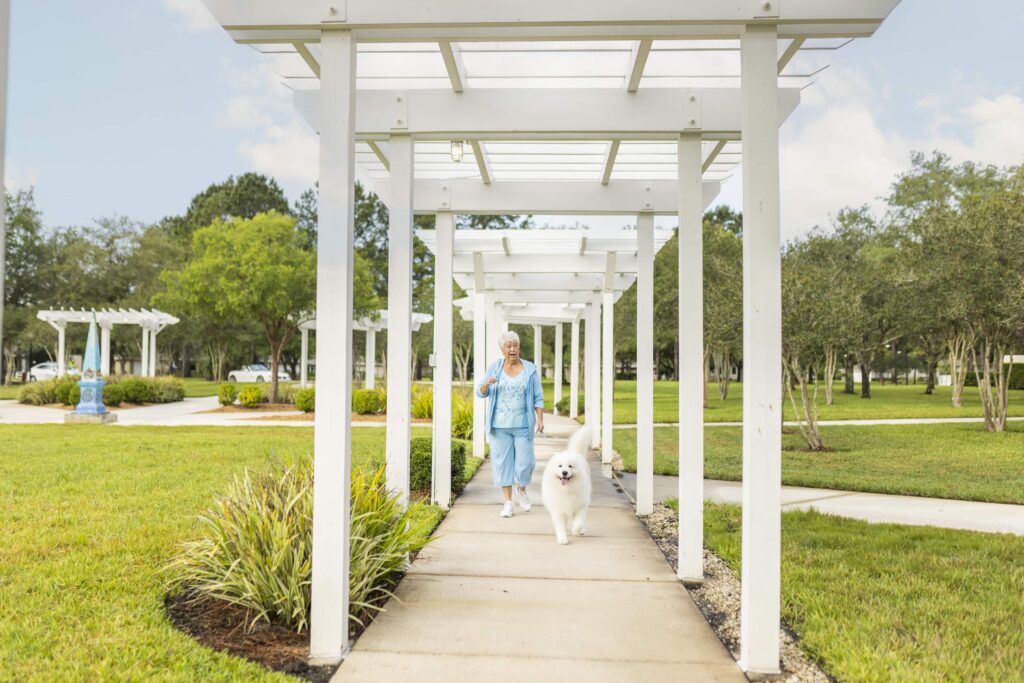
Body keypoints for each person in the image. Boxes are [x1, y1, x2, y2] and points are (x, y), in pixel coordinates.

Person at [476, 330, 545, 518]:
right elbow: (480, 392)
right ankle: (507, 503)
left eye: (515, 345)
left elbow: (538, 396)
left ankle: (522, 489)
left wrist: (539, 419)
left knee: (526, 462)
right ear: (502, 349)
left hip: (523, 425)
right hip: (499, 427)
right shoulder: (495, 367)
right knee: (502, 464)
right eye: (508, 346)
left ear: (519, 347)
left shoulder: (530, 369)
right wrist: (486, 385)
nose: (512, 349)